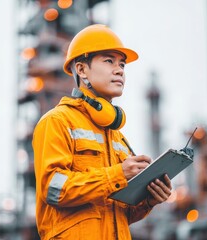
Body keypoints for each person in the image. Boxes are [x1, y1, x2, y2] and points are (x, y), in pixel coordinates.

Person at [32, 24, 172, 240]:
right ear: (81, 69)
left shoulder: (117, 138)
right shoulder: (57, 122)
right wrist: (118, 174)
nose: (119, 70)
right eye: (109, 61)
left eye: (122, 65)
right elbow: (54, 189)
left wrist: (149, 199)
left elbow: (119, 213)